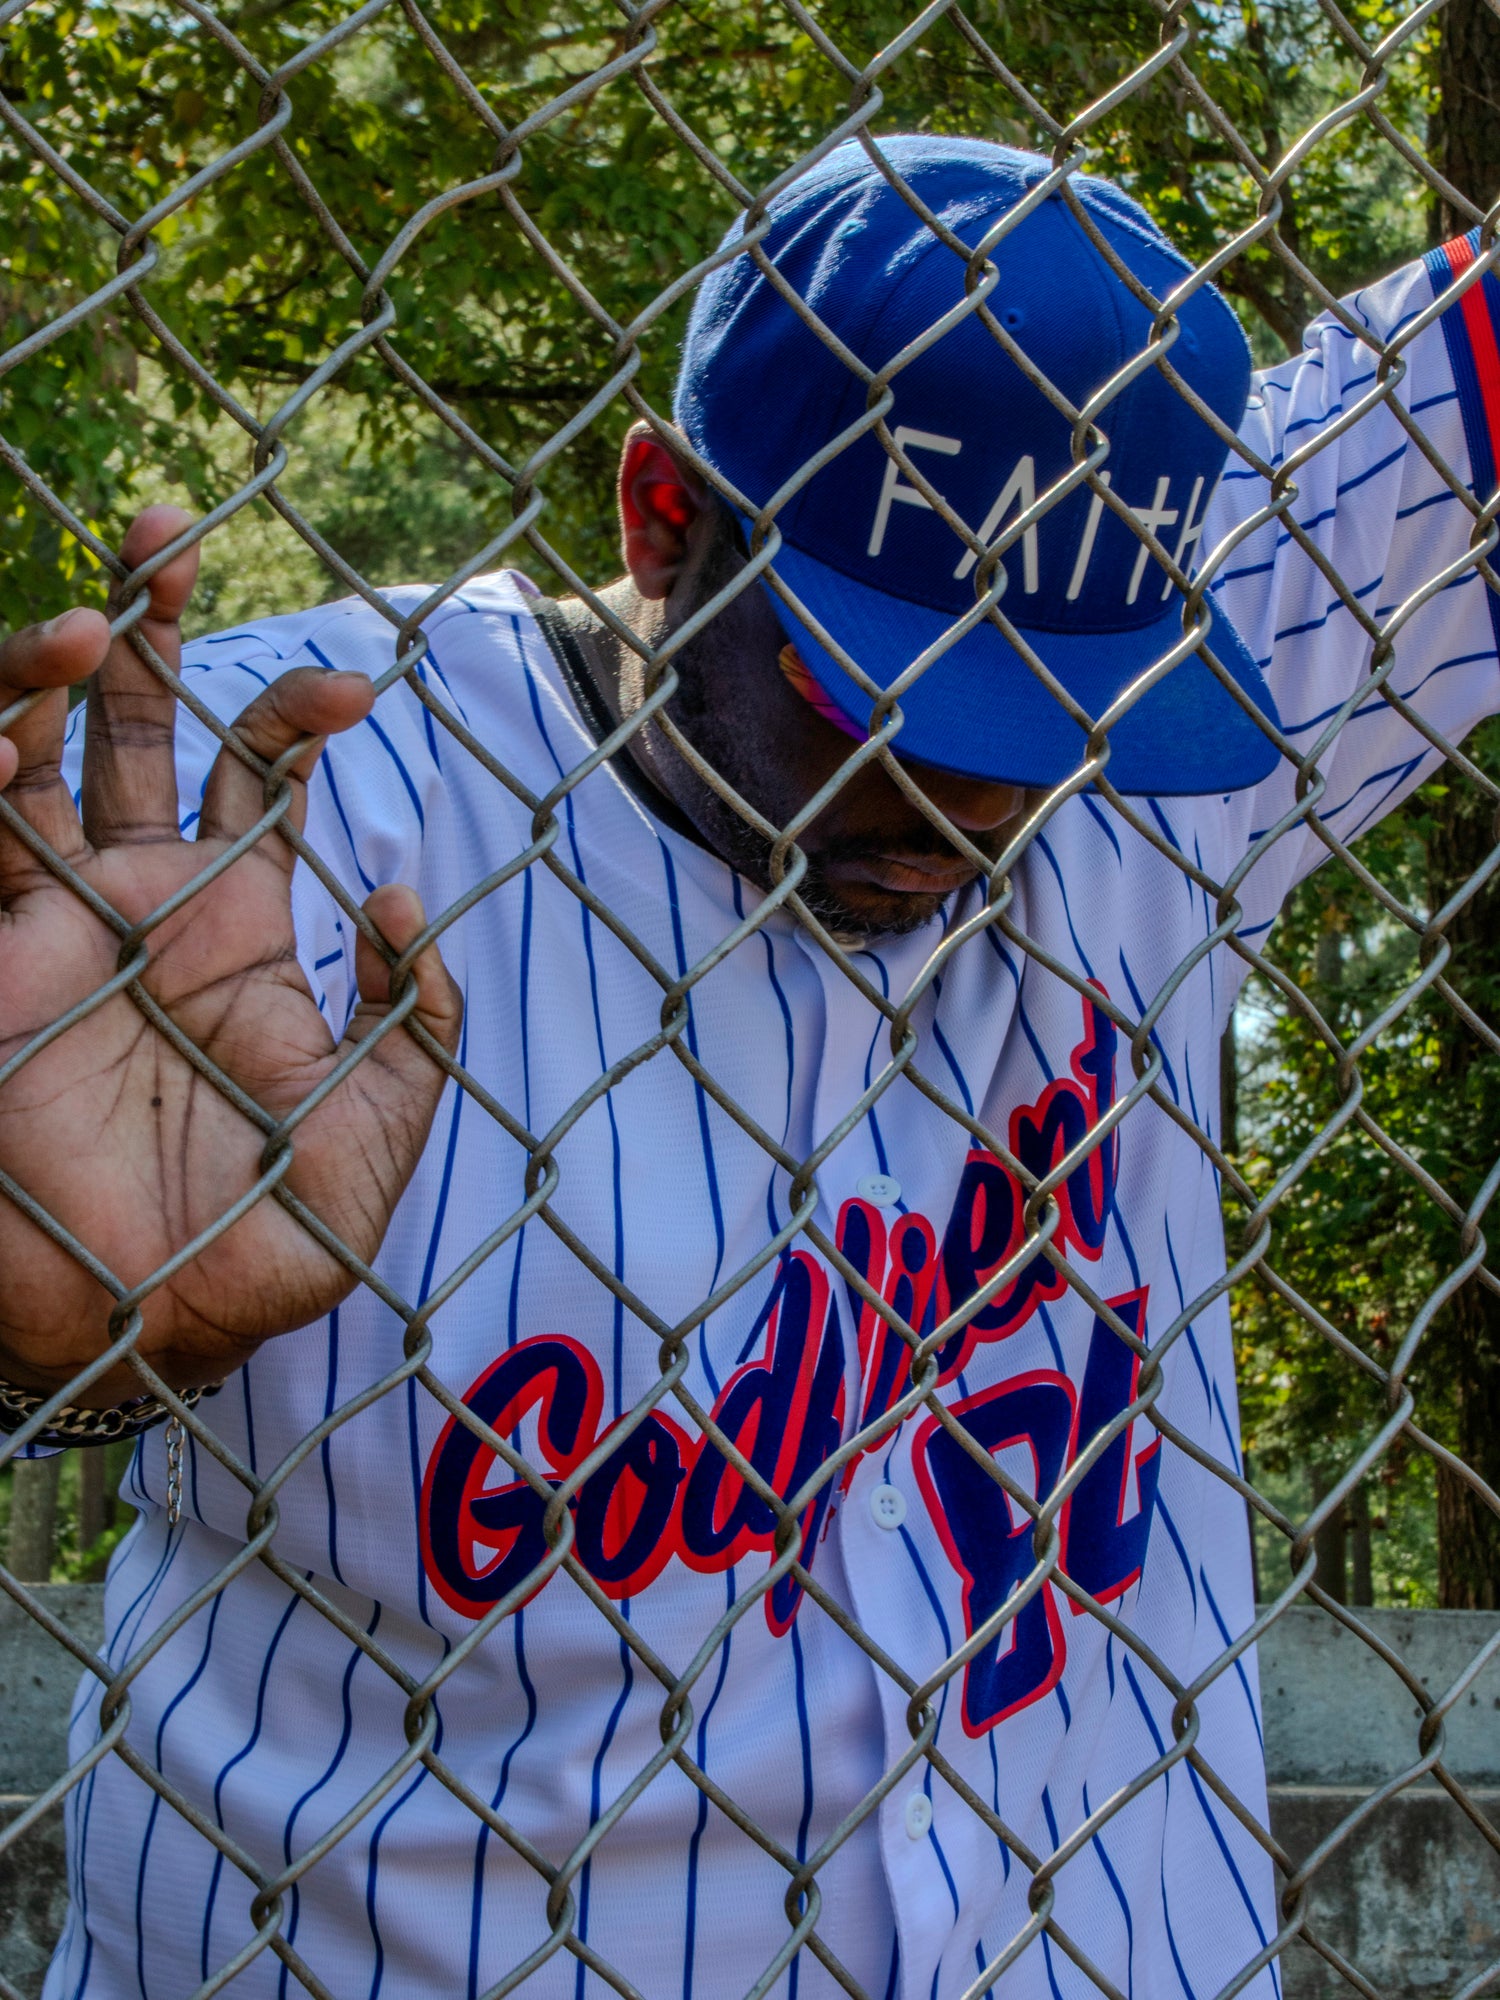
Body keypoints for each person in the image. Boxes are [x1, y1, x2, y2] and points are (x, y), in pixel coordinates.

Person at [2, 134, 1496, 1999]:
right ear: (658, 512)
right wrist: (59, 1343)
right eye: (882, 687)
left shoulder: (1154, 624)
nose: (973, 799)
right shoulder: (266, 809)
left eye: (1055, 712)